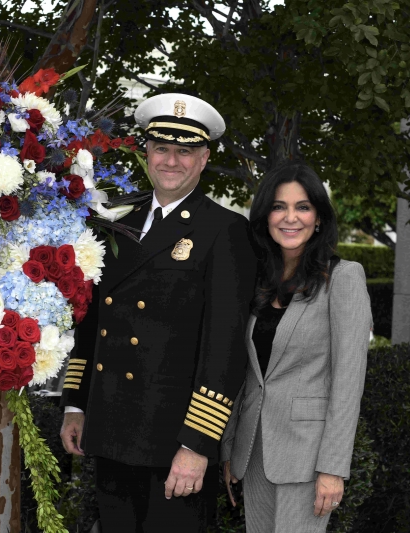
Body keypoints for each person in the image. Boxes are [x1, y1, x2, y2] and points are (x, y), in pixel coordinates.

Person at [60, 93, 257, 531]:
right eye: (162, 148)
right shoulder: (113, 219)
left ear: (203, 159)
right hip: (110, 426)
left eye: (184, 151)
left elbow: (224, 349)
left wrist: (197, 444)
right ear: (146, 152)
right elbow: (91, 321)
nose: (171, 161)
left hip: (173, 441)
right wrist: (76, 404)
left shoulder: (224, 230)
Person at [220, 163, 371, 532]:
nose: (290, 217)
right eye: (278, 207)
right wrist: (229, 447)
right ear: (265, 217)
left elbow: (348, 381)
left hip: (308, 457)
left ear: (318, 218)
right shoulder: (259, 278)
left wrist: (333, 468)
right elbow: (245, 371)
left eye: (303, 207)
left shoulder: (343, 277)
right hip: (253, 450)